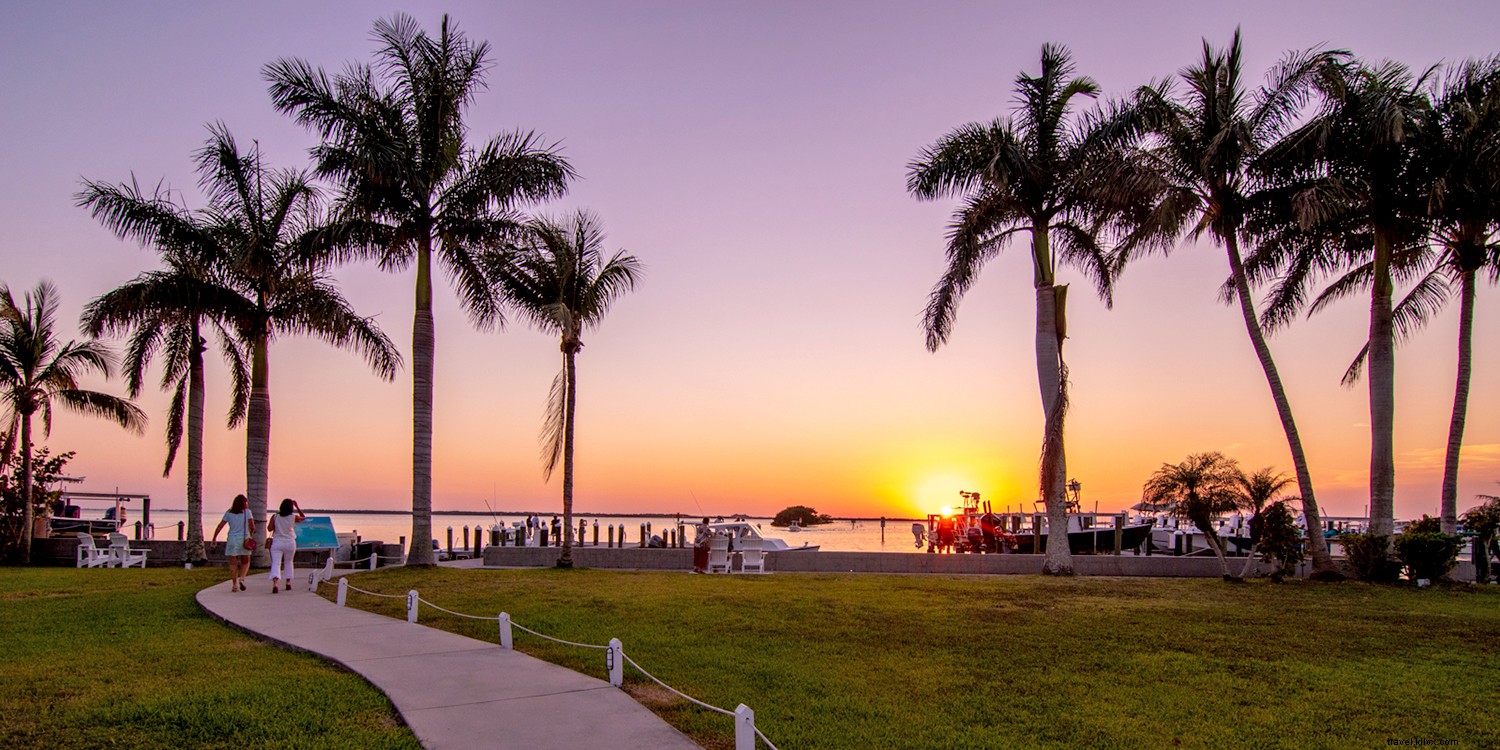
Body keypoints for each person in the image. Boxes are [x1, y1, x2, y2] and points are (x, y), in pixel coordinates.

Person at [211, 495, 255, 592]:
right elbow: (252, 526)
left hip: (232, 539)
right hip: (244, 539)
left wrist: (214, 538)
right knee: (246, 561)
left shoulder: (229, 513)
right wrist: (250, 536)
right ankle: (242, 578)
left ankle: (234, 585)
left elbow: (220, 526)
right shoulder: (247, 512)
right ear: (244, 503)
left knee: (233, 564)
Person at [266, 497, 306, 593]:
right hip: (290, 542)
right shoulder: (293, 517)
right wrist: (297, 506)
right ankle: (288, 583)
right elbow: (303, 517)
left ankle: (275, 583)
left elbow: (269, 529)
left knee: (276, 563)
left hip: (277, 542)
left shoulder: (275, 517)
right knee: (288, 562)